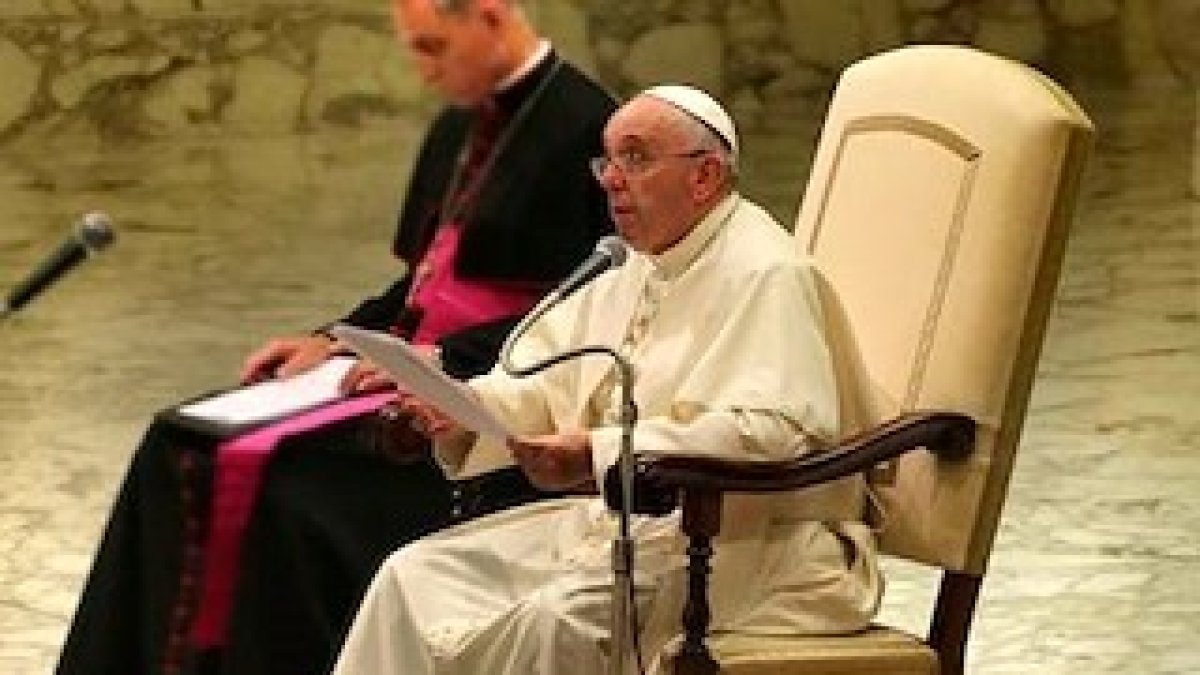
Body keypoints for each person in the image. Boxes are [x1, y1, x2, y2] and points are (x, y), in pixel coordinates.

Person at [55, 1, 615, 674]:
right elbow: (422, 282)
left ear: (490, 17)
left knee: (282, 489)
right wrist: (332, 338)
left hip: (476, 406)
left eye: (432, 47)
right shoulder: (458, 127)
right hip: (392, 368)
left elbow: (593, 307)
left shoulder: (594, 129)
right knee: (175, 442)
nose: (423, 70)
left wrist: (443, 361)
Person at [331, 85, 883, 675]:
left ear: (705, 176)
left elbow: (774, 432)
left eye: (636, 158)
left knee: (555, 622)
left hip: (748, 546)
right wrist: (461, 410)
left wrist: (596, 453)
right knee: (413, 578)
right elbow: (543, 385)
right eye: (608, 161)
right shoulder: (629, 265)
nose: (612, 180)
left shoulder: (766, 273)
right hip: (624, 528)